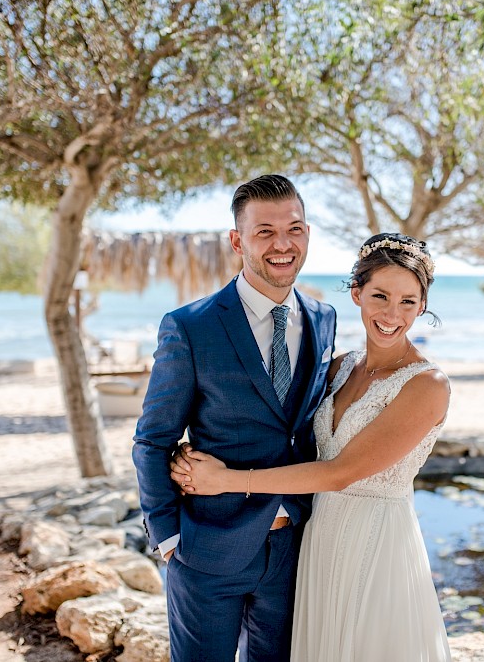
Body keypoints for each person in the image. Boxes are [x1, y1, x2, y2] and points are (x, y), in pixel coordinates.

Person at [173, 233, 452, 661]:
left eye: (409, 302)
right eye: (380, 295)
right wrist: (196, 448)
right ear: (357, 294)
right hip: (318, 537)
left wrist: (226, 480)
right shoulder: (340, 367)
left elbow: (339, 471)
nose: (392, 314)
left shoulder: (427, 385)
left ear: (423, 306)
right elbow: (282, 424)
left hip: (376, 542)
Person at [132, 174, 338, 662]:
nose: (283, 244)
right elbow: (153, 439)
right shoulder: (190, 326)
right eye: (264, 231)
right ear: (236, 240)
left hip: (293, 551)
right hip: (206, 550)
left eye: (295, 228)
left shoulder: (324, 318)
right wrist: (169, 539)